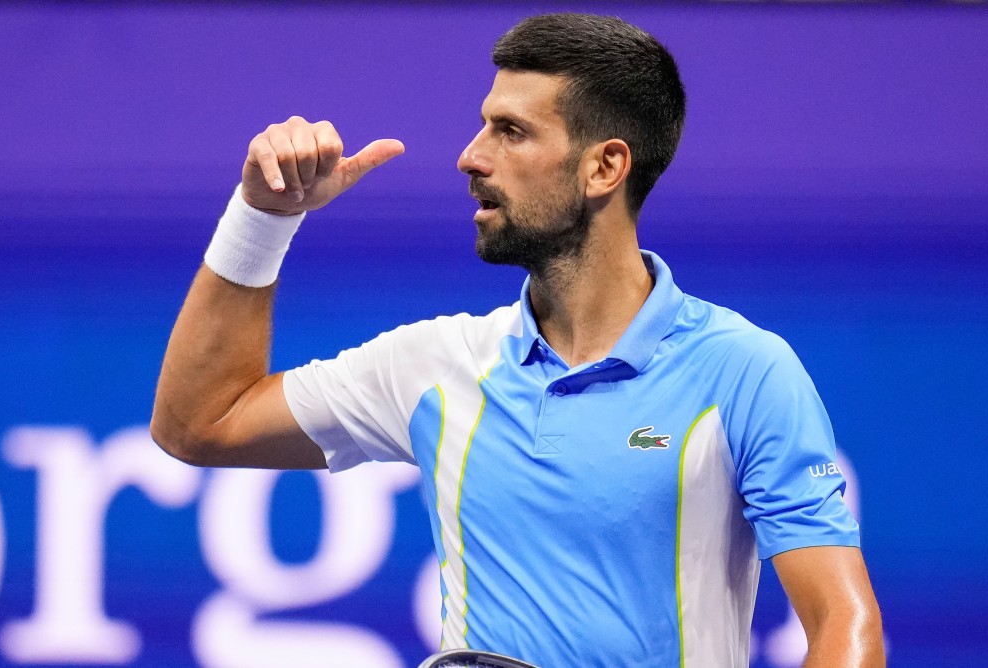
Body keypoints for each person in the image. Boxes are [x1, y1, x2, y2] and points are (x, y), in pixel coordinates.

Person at [151, 12, 884, 668]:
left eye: (511, 131)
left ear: (605, 166)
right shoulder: (435, 366)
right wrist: (263, 218)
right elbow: (200, 422)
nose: (471, 156)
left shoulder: (744, 372)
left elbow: (845, 626)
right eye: (484, 125)